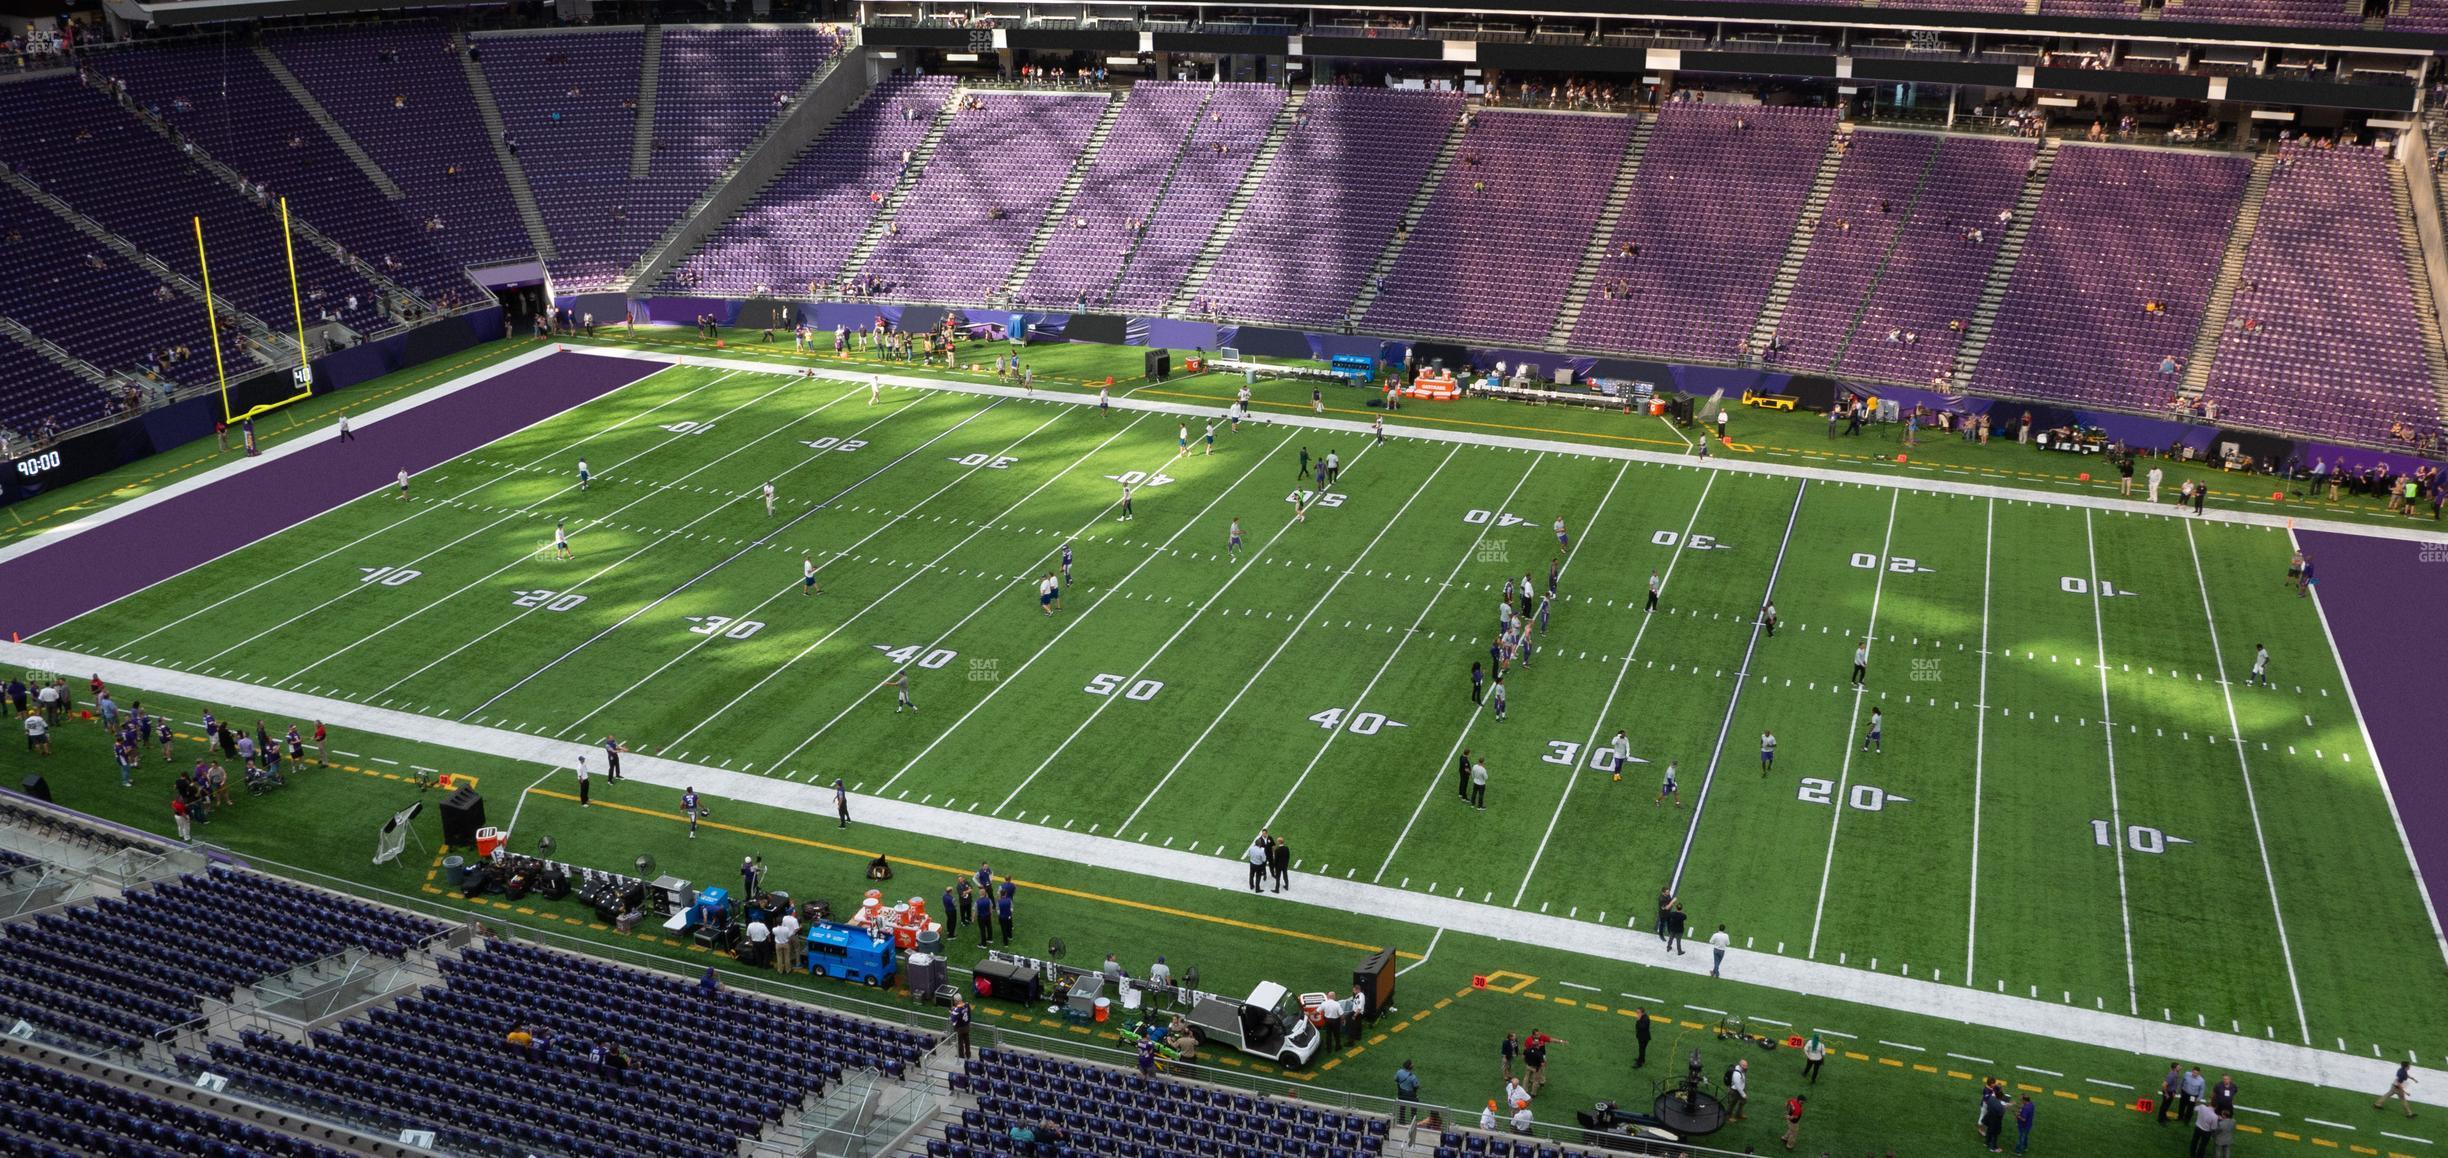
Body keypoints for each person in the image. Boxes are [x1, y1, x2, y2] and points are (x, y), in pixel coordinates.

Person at [1394, 1059, 1421, 1123]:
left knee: (1402, 1107)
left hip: (1401, 1093)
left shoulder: (1399, 1072)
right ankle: (1413, 1121)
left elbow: (1396, 1079)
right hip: (1411, 1094)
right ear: (1410, 1067)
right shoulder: (1413, 1077)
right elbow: (1416, 1086)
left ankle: (1401, 1120)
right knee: (1414, 1107)